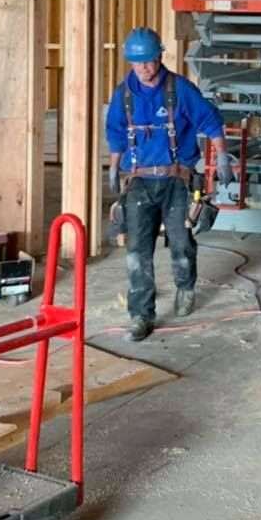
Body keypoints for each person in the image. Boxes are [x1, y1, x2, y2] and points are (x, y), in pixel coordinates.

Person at [105, 28, 233, 341]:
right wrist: (112, 166)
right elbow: (117, 133)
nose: (145, 68)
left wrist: (223, 155)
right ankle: (140, 315)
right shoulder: (123, 95)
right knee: (137, 250)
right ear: (130, 63)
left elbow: (210, 121)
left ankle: (185, 287)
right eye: (138, 63)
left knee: (181, 243)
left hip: (177, 179)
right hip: (139, 181)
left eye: (149, 61)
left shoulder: (180, 90)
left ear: (160, 56)